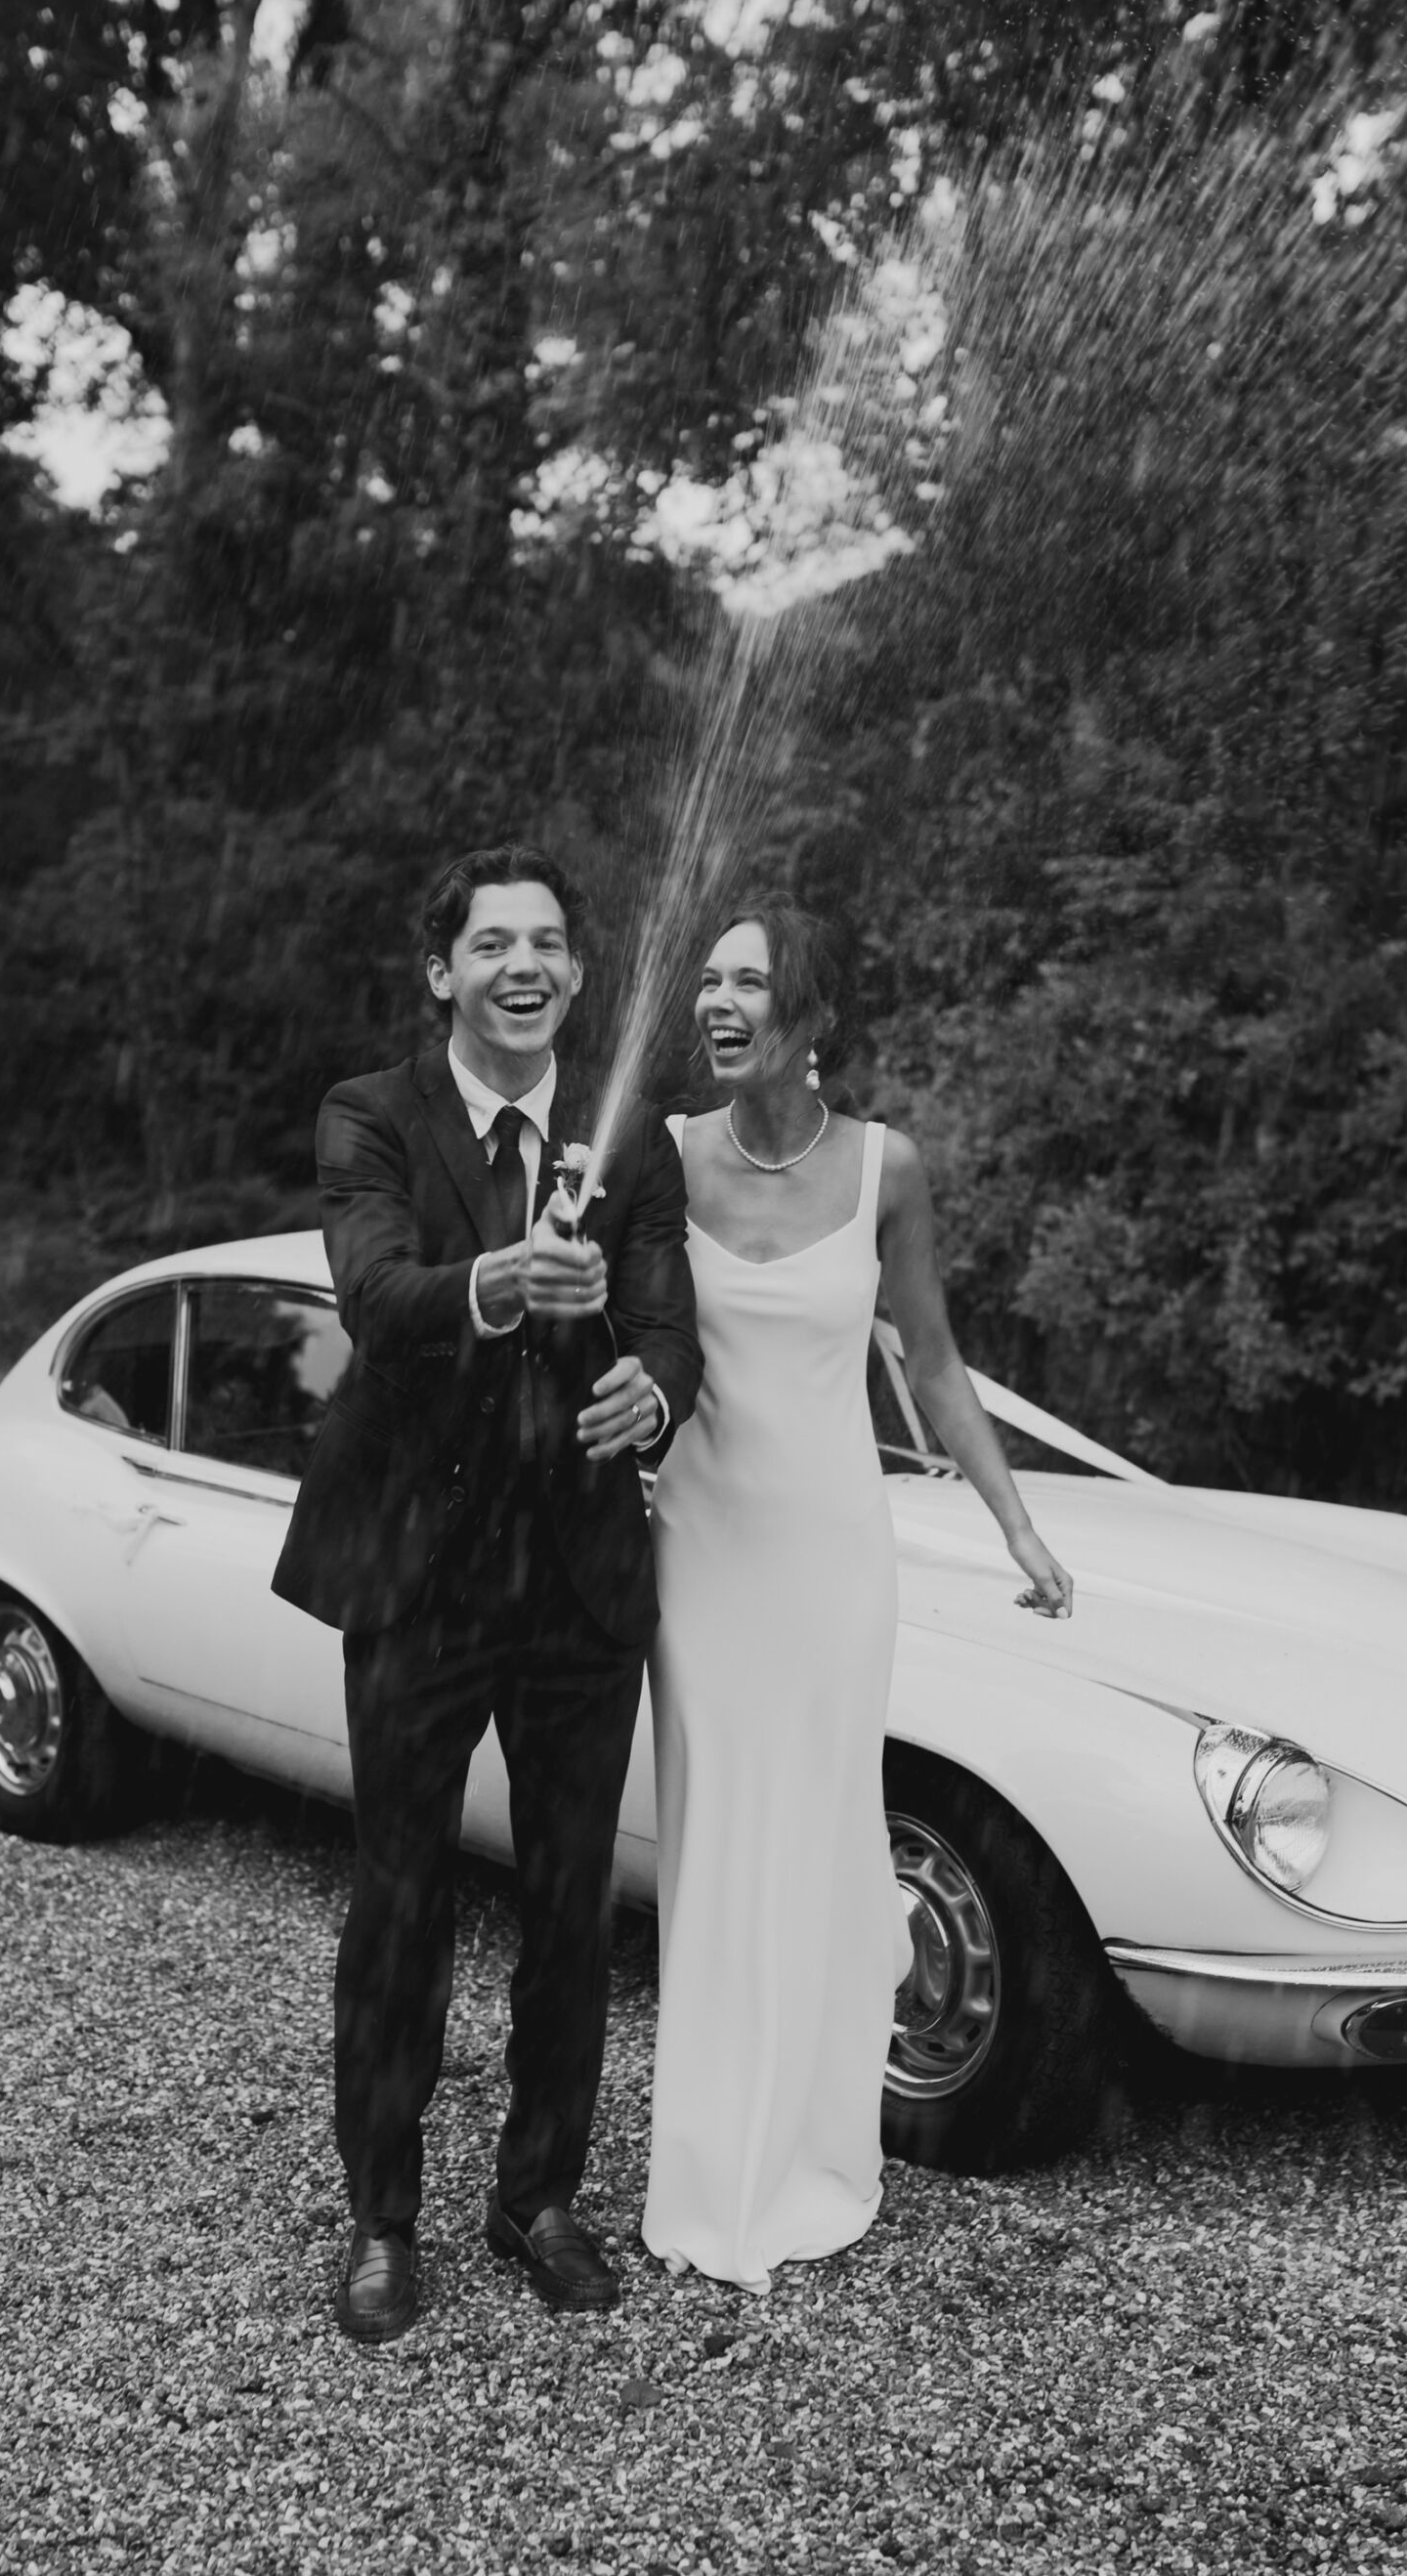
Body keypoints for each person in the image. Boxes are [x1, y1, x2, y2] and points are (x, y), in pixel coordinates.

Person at [273, 843, 703, 2340]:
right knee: (400, 1901)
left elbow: (673, 1328)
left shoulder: (628, 1136)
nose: (524, 965)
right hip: (424, 1577)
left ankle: (539, 2194)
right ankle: (383, 2215)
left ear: (580, 976)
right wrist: (499, 1282)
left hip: (580, 1580)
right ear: (441, 971)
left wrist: (647, 1391)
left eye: (548, 944)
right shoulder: (370, 1118)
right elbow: (376, 1299)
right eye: (492, 943)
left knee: (573, 1905)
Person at [641, 894, 1074, 2295]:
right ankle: (711, 2169)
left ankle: (817, 2155)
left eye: (748, 982)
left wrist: (1017, 1524)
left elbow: (936, 1366)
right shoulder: (661, 1158)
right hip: (699, 1553)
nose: (717, 1001)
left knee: (821, 1845)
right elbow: (621, 1342)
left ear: (811, 1018)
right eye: (709, 978)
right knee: (717, 1849)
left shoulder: (887, 1169)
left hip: (832, 1560)